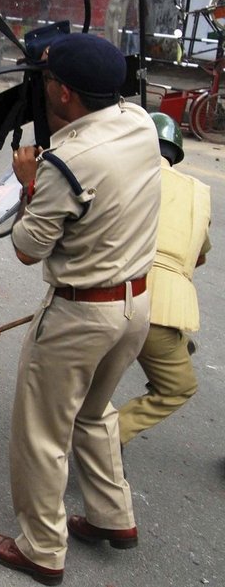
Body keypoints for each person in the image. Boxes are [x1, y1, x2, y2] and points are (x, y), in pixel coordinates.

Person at [0, 34, 161, 585]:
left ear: (62, 92)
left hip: (81, 314)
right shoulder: (139, 124)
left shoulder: (68, 162)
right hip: (135, 304)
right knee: (94, 413)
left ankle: (41, 548)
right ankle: (114, 517)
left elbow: (27, 247)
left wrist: (29, 183)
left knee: (41, 432)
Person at [117, 113, 211, 446]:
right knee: (178, 386)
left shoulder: (121, 175)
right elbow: (198, 255)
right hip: (162, 310)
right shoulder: (198, 193)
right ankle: (110, 437)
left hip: (107, 295)